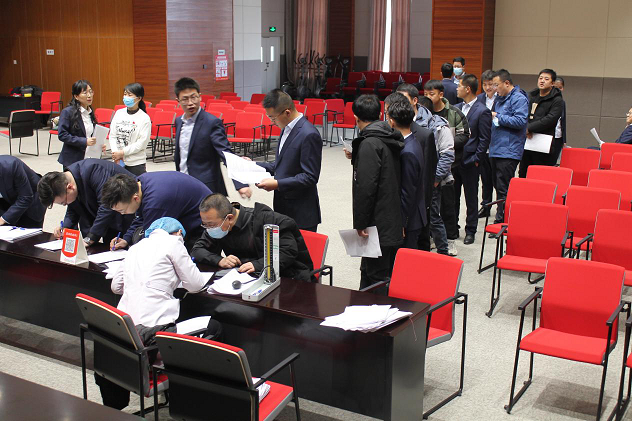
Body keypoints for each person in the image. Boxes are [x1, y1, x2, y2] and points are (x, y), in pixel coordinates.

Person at [99, 217, 222, 410]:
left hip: (124, 330)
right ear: (179, 233)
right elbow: (196, 284)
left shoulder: (135, 247)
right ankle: (190, 391)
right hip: (152, 335)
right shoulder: (174, 243)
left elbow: (116, 287)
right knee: (213, 327)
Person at [191, 193, 315, 282]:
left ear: (229, 218)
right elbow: (197, 250)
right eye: (205, 224)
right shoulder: (218, 226)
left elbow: (288, 251)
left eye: (211, 225)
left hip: (284, 278)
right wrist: (219, 260)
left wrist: (258, 264)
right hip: (244, 280)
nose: (208, 228)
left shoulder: (268, 220)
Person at [350, 95, 404, 290]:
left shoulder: (369, 144)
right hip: (391, 216)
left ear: (356, 118)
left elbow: (366, 188)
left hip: (377, 221)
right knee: (376, 272)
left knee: (375, 276)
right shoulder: (388, 136)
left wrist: (360, 223)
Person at [256, 89, 323, 232]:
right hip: (284, 208)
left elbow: (310, 177)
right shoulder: (286, 129)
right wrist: (252, 165)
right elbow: (281, 165)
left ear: (287, 112)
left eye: (273, 118)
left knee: (301, 247)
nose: (272, 122)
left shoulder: (309, 134)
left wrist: (277, 184)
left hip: (301, 211)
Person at [173, 77, 251, 198]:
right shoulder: (179, 121)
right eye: (185, 99)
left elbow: (225, 153)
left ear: (200, 96)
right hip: (183, 181)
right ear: (178, 100)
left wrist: (241, 183)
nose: (190, 103)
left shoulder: (212, 122)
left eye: (193, 97)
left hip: (206, 185)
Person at [101, 172, 211, 251]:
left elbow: (151, 240)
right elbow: (140, 217)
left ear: (135, 198)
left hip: (203, 224)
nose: (122, 214)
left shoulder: (155, 203)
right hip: (185, 212)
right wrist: (126, 239)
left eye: (122, 210)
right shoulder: (139, 184)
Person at [37, 159, 133, 245]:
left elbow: (107, 206)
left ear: (70, 187)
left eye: (63, 203)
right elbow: (73, 206)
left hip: (129, 213)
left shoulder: (94, 170)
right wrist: (65, 228)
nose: (65, 204)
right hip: (111, 219)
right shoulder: (69, 179)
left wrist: (91, 237)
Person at [424, 79, 470, 255]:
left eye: (432, 94)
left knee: (449, 205)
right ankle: (432, 238)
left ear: (441, 94)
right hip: (430, 168)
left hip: (451, 165)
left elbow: (465, 135)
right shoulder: (424, 113)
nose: (428, 97)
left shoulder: (454, 113)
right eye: (426, 94)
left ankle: (450, 239)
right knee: (432, 208)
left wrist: (445, 142)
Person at [395, 84, 437, 252]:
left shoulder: (425, 133)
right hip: (398, 198)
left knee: (417, 247)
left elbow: (427, 173)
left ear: (414, 101)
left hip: (417, 201)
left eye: (403, 99)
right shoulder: (389, 129)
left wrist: (424, 203)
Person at [384, 93, 426, 249]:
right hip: (412, 215)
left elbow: (407, 191)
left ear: (392, 121)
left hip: (410, 219)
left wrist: (401, 222)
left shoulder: (408, 151)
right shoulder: (410, 141)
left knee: (404, 258)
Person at [455, 74, 492, 245]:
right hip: (454, 159)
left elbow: (484, 139)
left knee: (471, 197)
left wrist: (477, 158)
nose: (457, 88)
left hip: (470, 160)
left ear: (467, 89)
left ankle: (470, 230)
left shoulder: (482, 110)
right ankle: (453, 227)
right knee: (453, 196)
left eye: (459, 86)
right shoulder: (456, 108)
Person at [416, 96, 454, 256]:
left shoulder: (439, 126)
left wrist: (435, 179)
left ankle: (443, 251)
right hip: (417, 180)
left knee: (433, 217)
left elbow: (447, 156)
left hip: (432, 181)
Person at [489, 69, 529, 224]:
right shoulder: (499, 98)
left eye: (496, 85)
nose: (494, 89)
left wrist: (497, 116)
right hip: (496, 147)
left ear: (506, 83)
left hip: (509, 150)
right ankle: (501, 217)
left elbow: (520, 121)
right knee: (497, 186)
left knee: (503, 188)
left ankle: (502, 222)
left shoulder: (519, 98)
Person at [518, 69, 564, 177]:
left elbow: (550, 119)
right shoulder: (531, 95)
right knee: (523, 172)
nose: (542, 81)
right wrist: (526, 128)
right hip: (527, 140)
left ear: (552, 83)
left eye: (546, 79)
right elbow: (524, 113)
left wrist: (529, 128)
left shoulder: (557, 100)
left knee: (539, 175)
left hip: (544, 142)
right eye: (540, 78)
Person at [108, 82, 151, 176]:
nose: (126, 97)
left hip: (136, 163)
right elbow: (112, 135)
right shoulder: (119, 113)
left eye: (129, 95)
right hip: (118, 161)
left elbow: (141, 144)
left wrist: (123, 152)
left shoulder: (144, 118)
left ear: (139, 98)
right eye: (125, 94)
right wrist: (116, 153)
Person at [57, 80, 98, 170]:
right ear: (76, 96)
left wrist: (99, 144)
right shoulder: (67, 112)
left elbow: (90, 133)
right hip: (73, 158)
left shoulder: (90, 112)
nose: (89, 95)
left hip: (88, 156)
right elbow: (62, 135)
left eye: (91, 92)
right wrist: (84, 141)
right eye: (85, 93)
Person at [0, 156, 45, 228]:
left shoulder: (12, 165)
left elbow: (26, 197)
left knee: (29, 233)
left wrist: (3, 219)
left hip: (31, 202)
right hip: (5, 199)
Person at [476, 70, 497, 218]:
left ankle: (501, 208)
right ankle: (486, 205)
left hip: (497, 144)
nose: (488, 88)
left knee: (498, 180)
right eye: (485, 84)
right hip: (483, 144)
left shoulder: (501, 99)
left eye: (491, 84)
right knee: (485, 179)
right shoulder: (479, 99)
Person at [552, 76, 567, 163]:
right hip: (548, 137)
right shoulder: (547, 101)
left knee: (554, 161)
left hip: (558, 137)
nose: (558, 90)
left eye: (560, 88)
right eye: (555, 88)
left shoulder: (562, 102)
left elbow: (563, 122)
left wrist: (564, 140)